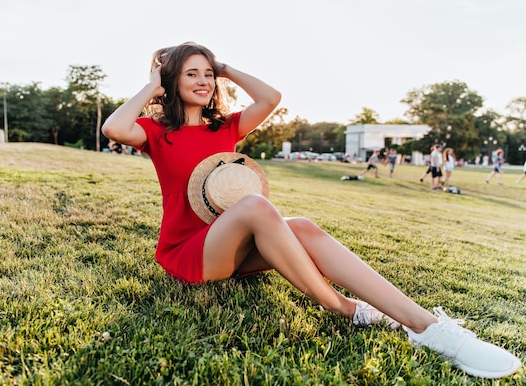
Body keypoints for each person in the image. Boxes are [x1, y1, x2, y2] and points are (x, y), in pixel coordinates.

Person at [102, 42, 521, 379]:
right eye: (191, 73)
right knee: (256, 206)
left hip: (230, 244)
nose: (204, 81)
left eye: (207, 73)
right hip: (188, 252)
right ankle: (343, 307)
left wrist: (225, 67)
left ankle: (428, 326)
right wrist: (153, 85)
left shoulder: (225, 127)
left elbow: (272, 97)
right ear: (171, 78)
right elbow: (114, 128)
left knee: (300, 225)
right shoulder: (158, 132)